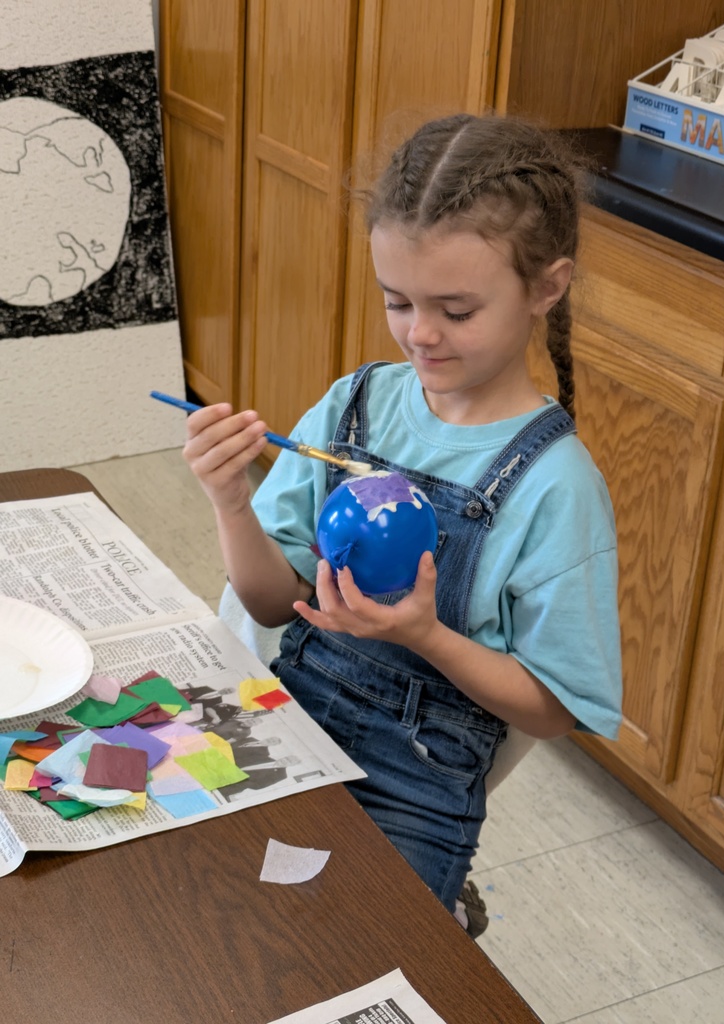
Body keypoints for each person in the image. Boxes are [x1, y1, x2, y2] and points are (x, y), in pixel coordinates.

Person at [183, 112, 623, 938]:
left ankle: (443, 901)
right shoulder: (356, 405)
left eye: (455, 309)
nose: (420, 333)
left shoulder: (554, 488)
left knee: (353, 951)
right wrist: (231, 501)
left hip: (415, 786)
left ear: (545, 288)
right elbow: (274, 604)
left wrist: (426, 635)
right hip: (295, 723)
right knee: (200, 910)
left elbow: (553, 709)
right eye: (397, 301)